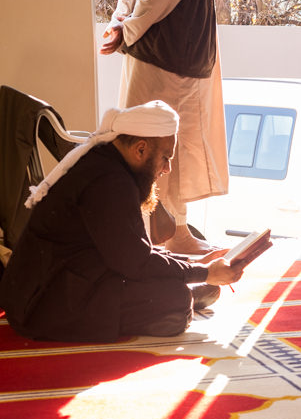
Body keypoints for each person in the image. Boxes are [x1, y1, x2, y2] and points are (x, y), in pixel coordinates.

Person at [0, 101, 244, 343]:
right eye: (165, 158)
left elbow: (130, 250)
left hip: (62, 281)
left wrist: (196, 265)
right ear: (140, 149)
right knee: (176, 301)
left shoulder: (106, 163)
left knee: (195, 285)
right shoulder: (109, 182)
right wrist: (202, 272)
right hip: (42, 304)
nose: (167, 168)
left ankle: (189, 287)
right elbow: (135, 263)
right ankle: (186, 295)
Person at [99, 0, 228, 255]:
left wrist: (123, 24)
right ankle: (163, 236)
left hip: (160, 53)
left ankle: (170, 233)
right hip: (165, 57)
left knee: (158, 148)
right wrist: (123, 22)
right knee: (161, 148)